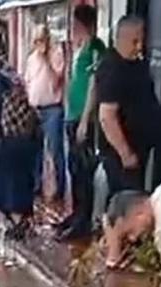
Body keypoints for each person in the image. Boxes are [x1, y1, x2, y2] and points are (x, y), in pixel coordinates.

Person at [0, 33, 39, 240]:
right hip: (26, 137)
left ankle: (17, 221)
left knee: (5, 178)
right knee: (23, 178)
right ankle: (25, 219)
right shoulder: (12, 75)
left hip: (8, 139)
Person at [56, 4, 106, 240]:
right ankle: (75, 213)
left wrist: (86, 119)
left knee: (84, 169)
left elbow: (93, 85)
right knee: (73, 167)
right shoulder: (78, 48)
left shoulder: (96, 48)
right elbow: (73, 80)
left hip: (82, 118)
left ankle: (83, 220)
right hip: (71, 114)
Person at [96, 15, 161, 196]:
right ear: (122, 38)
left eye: (141, 40)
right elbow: (107, 116)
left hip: (140, 147)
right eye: (134, 41)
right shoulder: (113, 68)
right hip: (121, 155)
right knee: (126, 202)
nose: (139, 47)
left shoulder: (136, 65)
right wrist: (125, 153)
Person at [24, 24, 66, 201]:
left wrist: (47, 59)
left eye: (41, 39)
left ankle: (60, 187)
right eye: (36, 40)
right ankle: (36, 185)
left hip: (52, 108)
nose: (38, 44)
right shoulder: (31, 59)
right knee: (35, 150)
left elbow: (57, 81)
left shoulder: (56, 55)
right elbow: (27, 81)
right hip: (35, 109)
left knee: (55, 149)